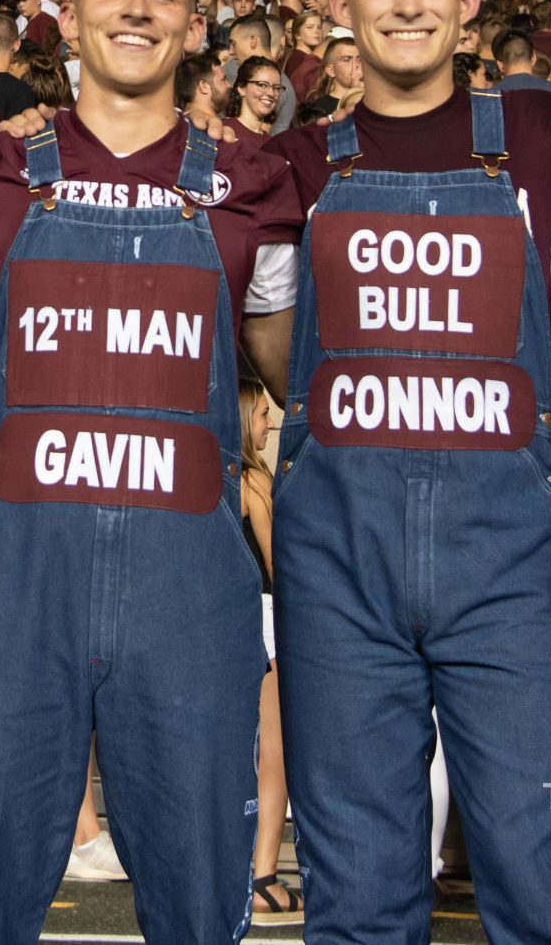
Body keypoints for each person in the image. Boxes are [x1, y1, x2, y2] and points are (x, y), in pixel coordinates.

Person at [0, 0, 297, 945]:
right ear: (68, 16)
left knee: (196, 907)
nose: (136, 10)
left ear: (193, 23)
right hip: (12, 588)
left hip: (188, 592)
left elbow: (302, 371)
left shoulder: (253, 181)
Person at [262, 0, 551, 945]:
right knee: (358, 887)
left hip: (508, 561)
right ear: (345, 3)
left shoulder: (544, 132)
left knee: (536, 872)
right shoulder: (295, 162)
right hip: (342, 564)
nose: (407, 3)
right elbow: (276, 352)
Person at [239, 381, 300, 925]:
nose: (270, 423)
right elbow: (277, 562)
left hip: (211, 624)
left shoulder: (206, 478)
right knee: (273, 753)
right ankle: (262, 877)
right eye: (262, 414)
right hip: (262, 618)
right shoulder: (254, 480)